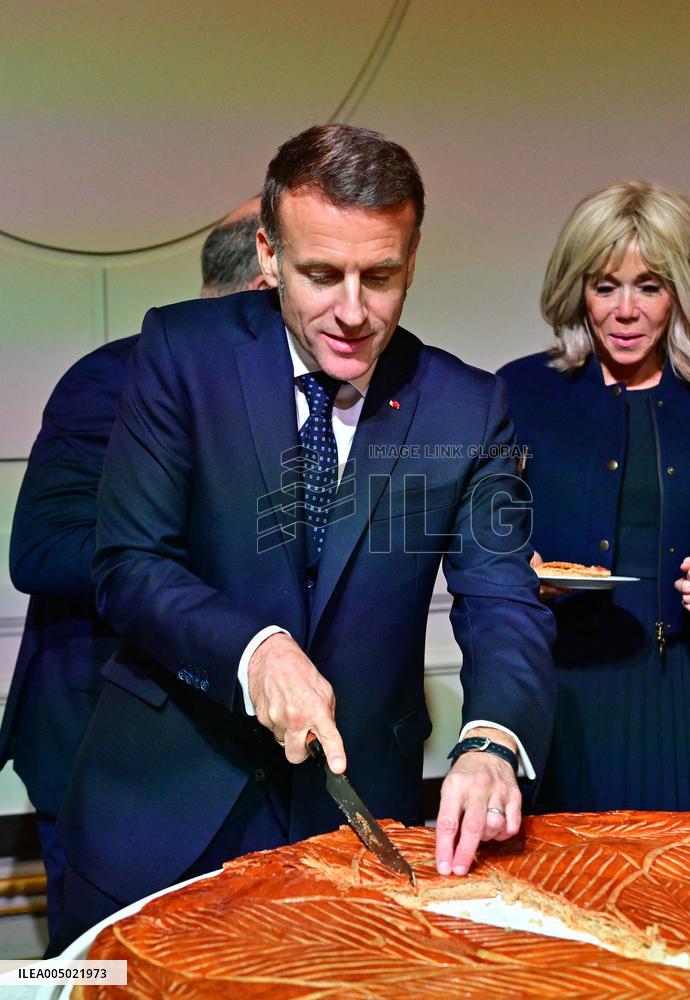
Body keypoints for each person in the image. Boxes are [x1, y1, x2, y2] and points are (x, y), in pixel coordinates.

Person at [56, 123, 556, 950]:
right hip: (161, 808)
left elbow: (503, 597)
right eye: (322, 274)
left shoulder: (469, 407)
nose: (353, 312)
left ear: (413, 258)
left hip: (355, 814)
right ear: (268, 252)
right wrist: (254, 651)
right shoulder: (183, 352)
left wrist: (494, 739)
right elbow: (129, 563)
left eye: (382, 276)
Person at [0, 197, 268, 952]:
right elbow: (42, 550)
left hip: (227, 751)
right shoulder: (112, 378)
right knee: (103, 971)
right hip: (98, 744)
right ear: (263, 283)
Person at [498, 181, 690, 814]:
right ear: (578, 290)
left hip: (681, 696)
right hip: (559, 696)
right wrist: (525, 577)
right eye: (606, 286)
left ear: (680, 292)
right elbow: (485, 547)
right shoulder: (521, 393)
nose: (626, 311)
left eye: (649, 287)